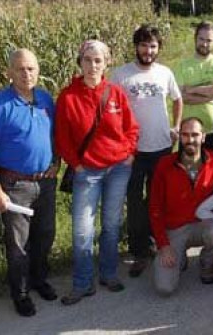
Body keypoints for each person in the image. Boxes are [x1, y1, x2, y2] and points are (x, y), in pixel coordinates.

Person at [55, 40, 140, 305]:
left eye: (98, 60)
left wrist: (129, 154)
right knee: (82, 231)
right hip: (87, 172)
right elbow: (62, 137)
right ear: (80, 62)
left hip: (117, 169)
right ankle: (82, 283)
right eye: (88, 60)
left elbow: (132, 128)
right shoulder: (68, 96)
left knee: (112, 225)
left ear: (106, 63)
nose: (93, 66)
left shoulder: (115, 93)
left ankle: (108, 273)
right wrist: (77, 164)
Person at [0, 49, 59, 317]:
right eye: (21, 69)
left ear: (38, 70)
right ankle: (21, 291)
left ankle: (39, 279)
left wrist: (57, 161)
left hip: (45, 183)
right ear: (10, 72)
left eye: (32, 69)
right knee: (18, 244)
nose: (27, 74)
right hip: (14, 185)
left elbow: (55, 134)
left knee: (45, 235)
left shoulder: (46, 99)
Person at [110, 25, 183, 277]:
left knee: (157, 198)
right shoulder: (121, 75)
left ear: (158, 48)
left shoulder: (165, 73)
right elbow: (111, 110)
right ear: (136, 46)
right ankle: (139, 251)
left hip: (161, 146)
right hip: (132, 151)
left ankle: (158, 243)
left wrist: (175, 126)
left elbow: (178, 99)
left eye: (152, 46)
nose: (148, 50)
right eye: (143, 45)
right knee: (134, 201)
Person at [149, 117, 213, 296]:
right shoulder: (165, 165)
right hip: (174, 230)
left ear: (203, 137)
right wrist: (163, 245)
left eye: (195, 134)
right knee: (164, 288)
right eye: (185, 135)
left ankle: (207, 262)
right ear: (179, 136)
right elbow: (155, 208)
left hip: (203, 225)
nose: (190, 139)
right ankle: (179, 255)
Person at [174, 21, 213, 133]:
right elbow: (181, 97)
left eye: (209, 40)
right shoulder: (182, 65)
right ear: (195, 39)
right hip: (187, 132)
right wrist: (209, 96)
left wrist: (191, 89)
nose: (204, 44)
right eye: (201, 39)